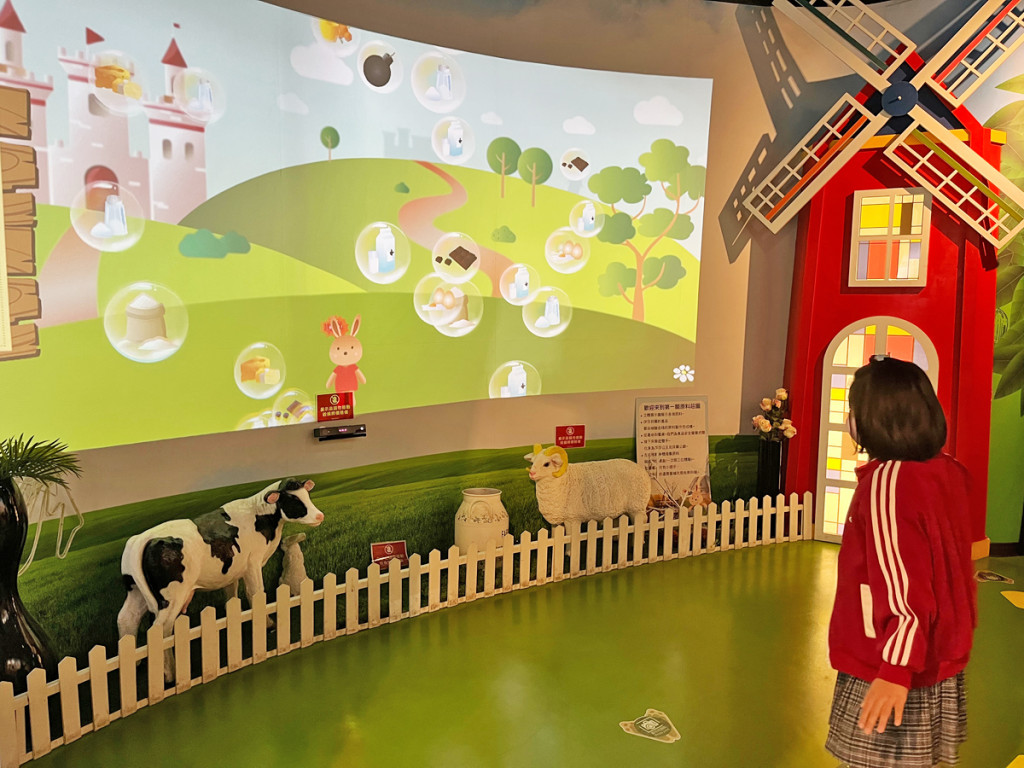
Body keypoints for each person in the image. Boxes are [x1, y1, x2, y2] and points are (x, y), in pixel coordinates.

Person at [825, 356, 977, 768]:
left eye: (854, 409)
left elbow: (904, 586)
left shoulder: (888, 482)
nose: (851, 419)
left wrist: (894, 670)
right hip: (937, 656)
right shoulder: (947, 470)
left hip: (889, 657)